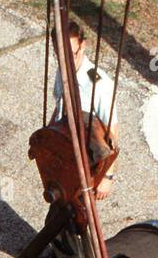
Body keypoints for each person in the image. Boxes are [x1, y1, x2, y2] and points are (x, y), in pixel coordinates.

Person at [51, 19, 119, 203]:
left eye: (72, 54)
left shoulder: (99, 84)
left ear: (83, 45)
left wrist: (107, 177)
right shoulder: (62, 70)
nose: (66, 62)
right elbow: (59, 106)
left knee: (79, 215)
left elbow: (112, 133)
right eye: (60, 55)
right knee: (60, 207)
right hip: (65, 155)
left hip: (88, 161)